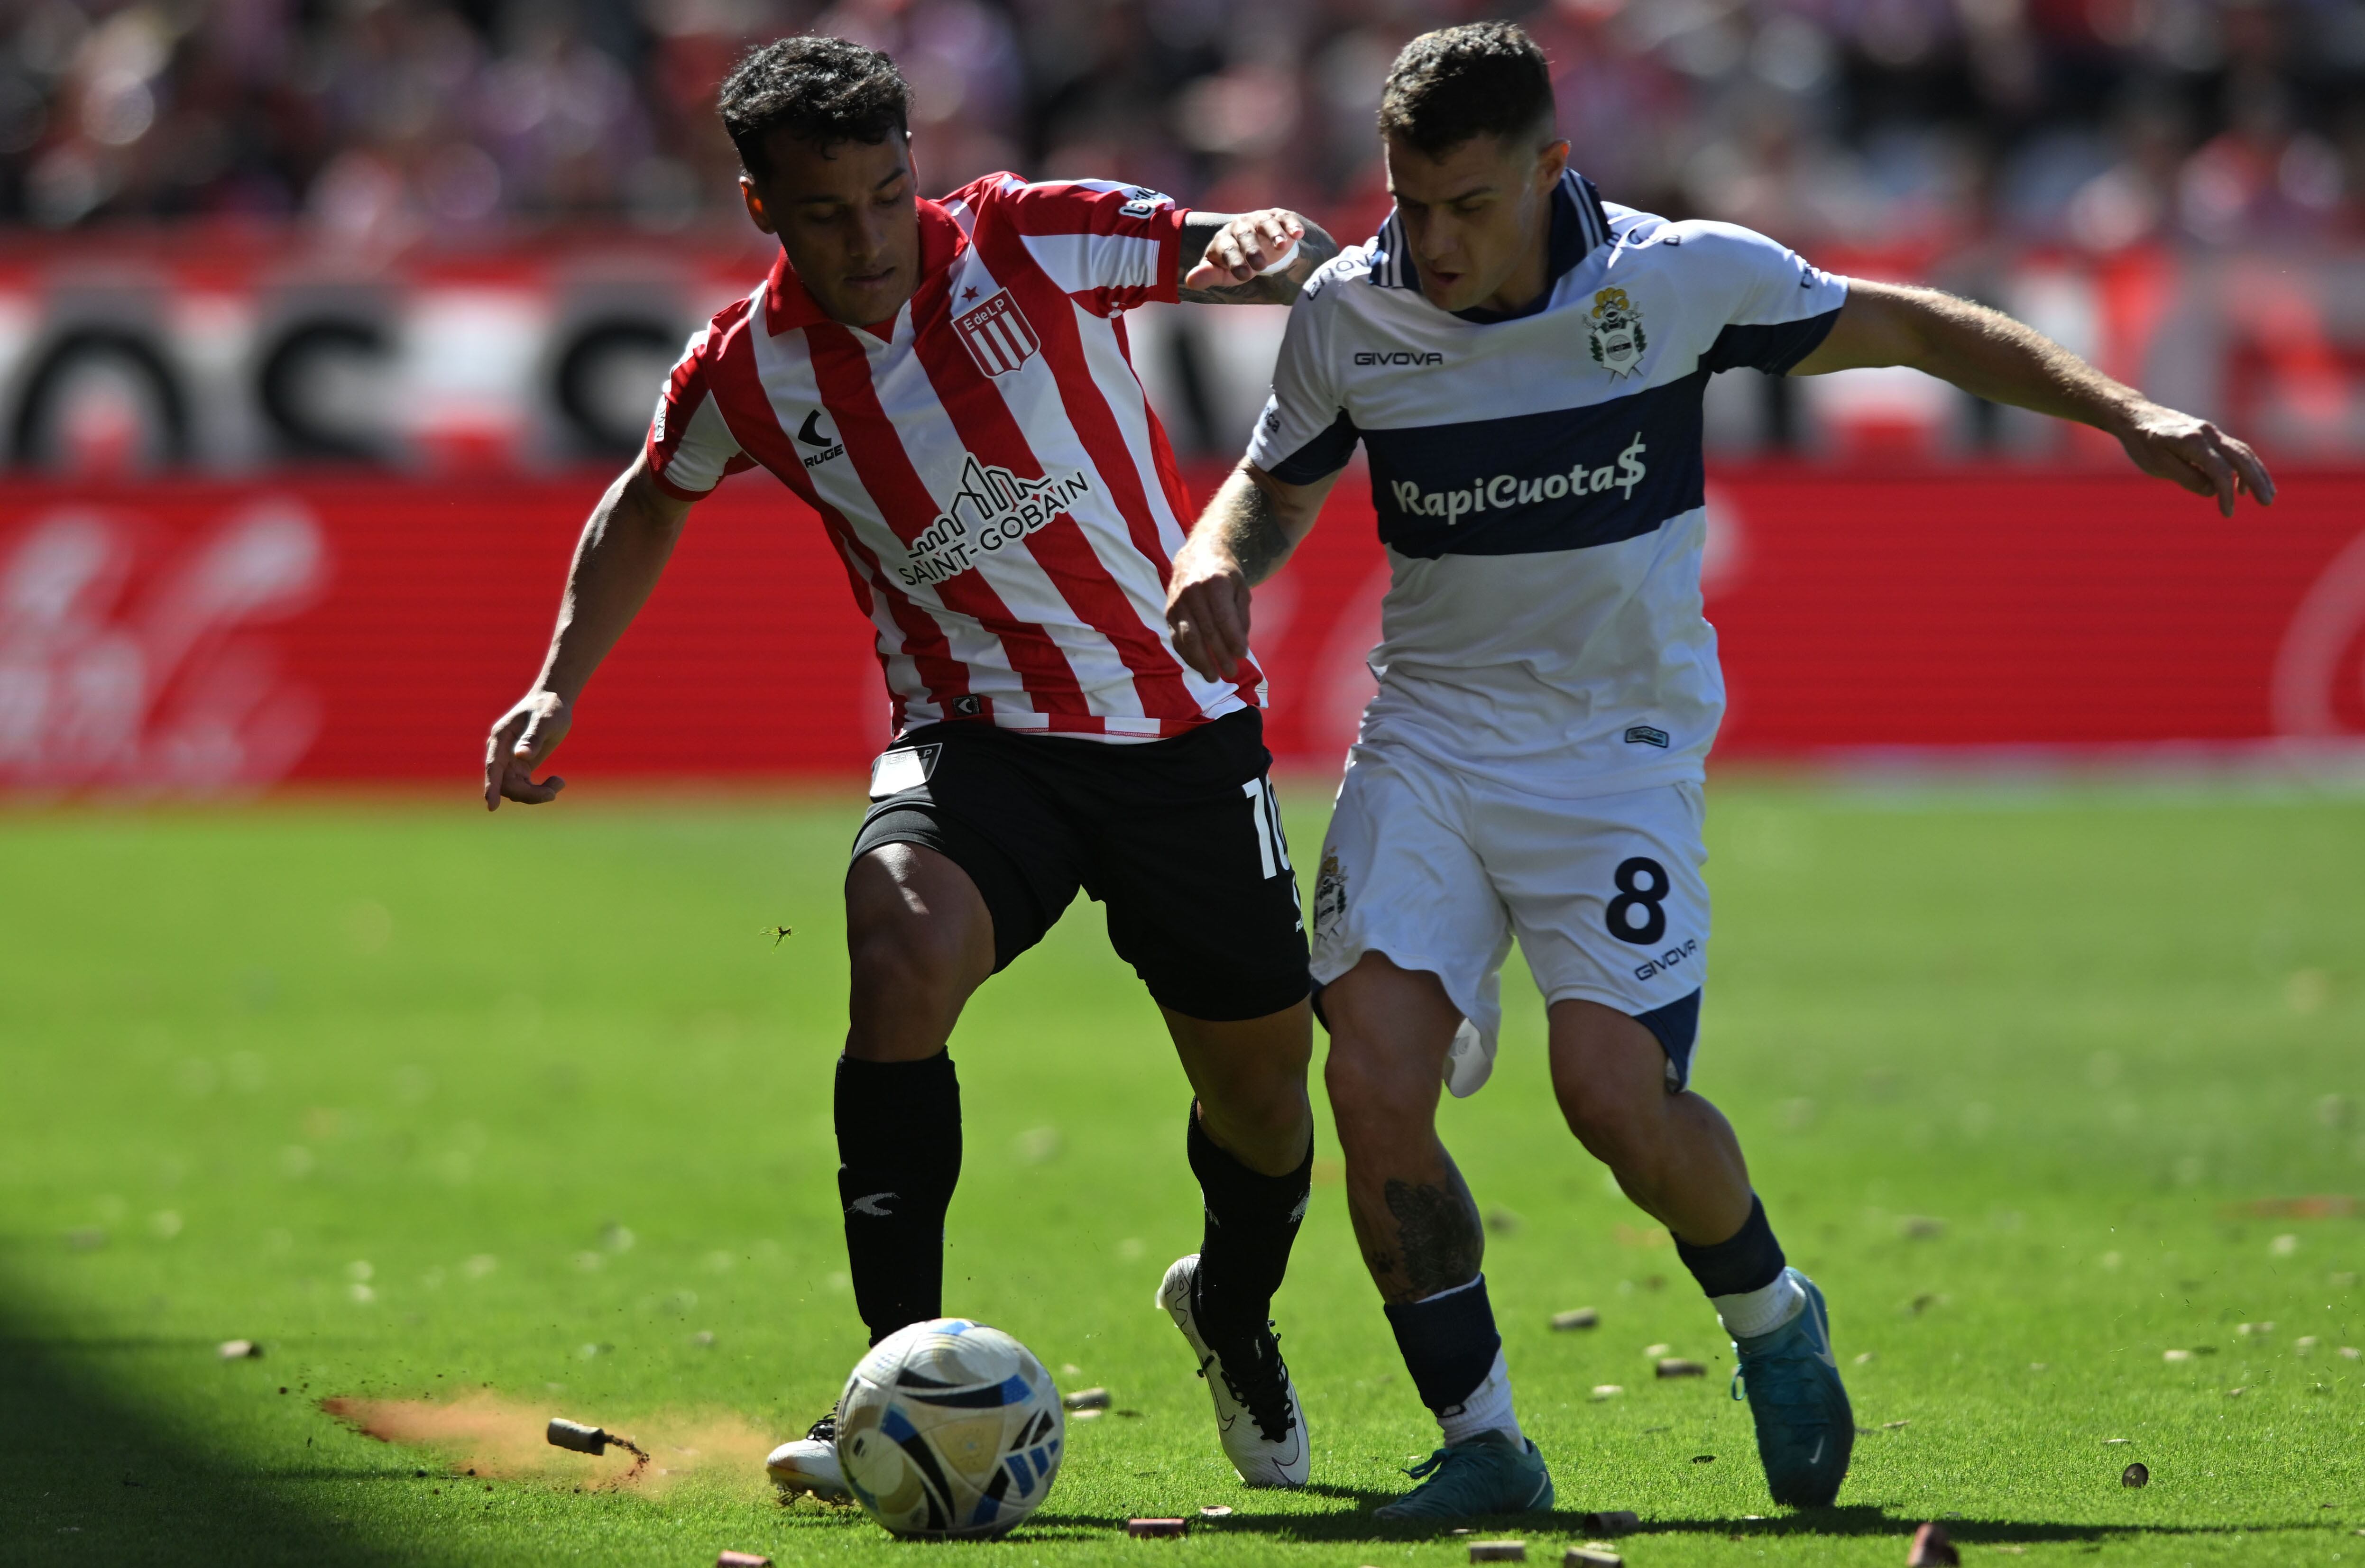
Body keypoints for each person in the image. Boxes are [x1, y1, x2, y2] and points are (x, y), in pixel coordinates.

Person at [1165, 21, 2274, 1522]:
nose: (1428, 240)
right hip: (1424, 730)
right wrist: (1212, 556)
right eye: (1407, 201)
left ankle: (1768, 1312)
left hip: (1614, 753)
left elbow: (1915, 327)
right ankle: (1482, 1437)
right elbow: (1270, 484)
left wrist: (2122, 410)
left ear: (1553, 164)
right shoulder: (1353, 313)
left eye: (1466, 204)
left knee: (1611, 1096)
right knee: (1369, 1082)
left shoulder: (1674, 276)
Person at [482, 36, 1342, 1497]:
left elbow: (1232, 249)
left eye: (888, 195)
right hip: (978, 737)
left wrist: (1264, 242)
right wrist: (560, 679)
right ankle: (891, 1383)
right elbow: (648, 498)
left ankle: (1233, 1309)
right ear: (762, 208)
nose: (869, 236)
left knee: (1263, 1098)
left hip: (1178, 729)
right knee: (894, 939)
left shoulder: (1022, 233)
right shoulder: (749, 368)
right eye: (827, 213)